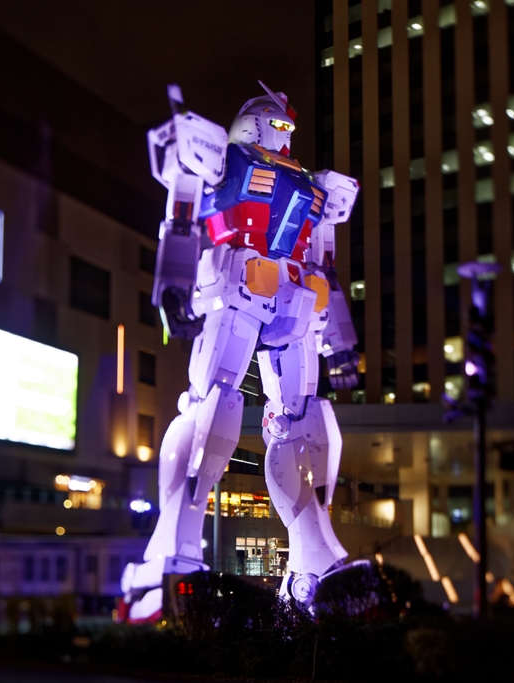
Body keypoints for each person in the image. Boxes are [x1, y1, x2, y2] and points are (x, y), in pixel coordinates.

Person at [121, 82, 361, 621]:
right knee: (214, 406)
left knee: (304, 424)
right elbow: (181, 215)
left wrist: (340, 341)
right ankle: (174, 549)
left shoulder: (318, 188)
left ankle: (313, 560)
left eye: (289, 127)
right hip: (238, 291)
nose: (285, 134)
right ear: (253, 122)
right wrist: (174, 282)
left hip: (297, 304)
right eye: (277, 124)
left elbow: (325, 267)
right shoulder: (220, 156)